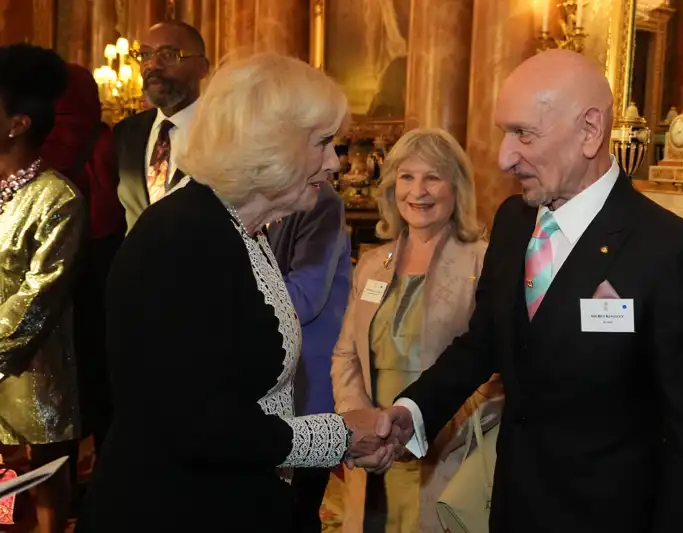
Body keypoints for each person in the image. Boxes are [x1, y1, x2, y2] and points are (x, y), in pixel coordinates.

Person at [378, 50, 683, 533]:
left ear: (589, 130)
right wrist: (411, 412)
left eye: (524, 134)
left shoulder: (668, 251)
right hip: (512, 507)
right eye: (504, 132)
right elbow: (484, 342)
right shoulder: (513, 220)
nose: (504, 157)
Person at [76, 52, 394, 533]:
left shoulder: (242, 229)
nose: (335, 162)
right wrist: (335, 436)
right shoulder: (179, 238)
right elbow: (194, 426)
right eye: (324, 144)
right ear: (271, 145)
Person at [331, 128, 503, 533]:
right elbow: (346, 356)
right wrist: (362, 426)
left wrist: (423, 427)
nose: (418, 191)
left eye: (433, 177)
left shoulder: (483, 262)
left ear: (456, 187)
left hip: (447, 456)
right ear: (391, 187)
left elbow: (491, 368)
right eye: (407, 177)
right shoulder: (372, 263)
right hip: (373, 456)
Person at [0, 44, 86, 533]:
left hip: (31, 385)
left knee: (39, 502)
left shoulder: (57, 198)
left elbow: (37, 301)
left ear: (18, 124)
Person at [41, 62, 126, 454]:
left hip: (50, 276)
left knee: (55, 386)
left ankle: (56, 490)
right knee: (101, 379)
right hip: (101, 270)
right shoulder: (105, 139)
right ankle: (105, 485)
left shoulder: (35, 140)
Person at [265, 181, 352, 533]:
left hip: (308, 382)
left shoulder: (321, 200)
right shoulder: (255, 195)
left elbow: (304, 297)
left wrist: (227, 289)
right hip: (273, 381)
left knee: (299, 509)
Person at [115, 20, 209, 232]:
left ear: (202, 68)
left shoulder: (224, 131)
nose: (153, 65)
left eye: (168, 55)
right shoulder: (125, 133)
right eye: (146, 55)